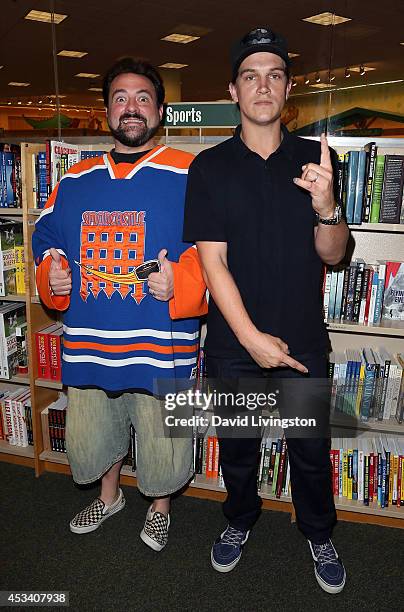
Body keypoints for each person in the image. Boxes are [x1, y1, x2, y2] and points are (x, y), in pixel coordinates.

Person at [183, 27, 349, 593]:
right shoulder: (208, 168)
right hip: (234, 342)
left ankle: (318, 532)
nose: (263, 86)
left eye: (274, 75)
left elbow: (334, 253)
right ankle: (239, 521)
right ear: (233, 89)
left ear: (287, 88)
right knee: (238, 449)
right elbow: (213, 266)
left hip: (304, 337)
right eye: (250, 75)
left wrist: (327, 207)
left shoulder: (315, 161)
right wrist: (251, 338)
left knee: (309, 451)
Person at [32, 57, 207, 551]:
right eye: (120, 99)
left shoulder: (192, 172)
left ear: (160, 110)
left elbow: (215, 251)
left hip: (163, 343)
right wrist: (53, 272)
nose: (131, 108)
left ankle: (160, 507)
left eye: (142, 98)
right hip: (91, 341)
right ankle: (109, 497)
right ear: (107, 110)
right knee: (94, 431)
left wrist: (182, 281)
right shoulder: (73, 179)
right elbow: (47, 239)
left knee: (163, 437)